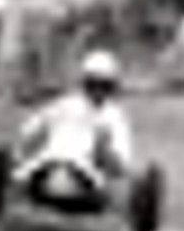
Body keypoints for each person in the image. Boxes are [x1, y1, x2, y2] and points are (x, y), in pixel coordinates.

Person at [11, 49, 136, 206]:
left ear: (111, 87)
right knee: (29, 172)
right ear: (84, 84)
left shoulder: (115, 118)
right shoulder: (62, 105)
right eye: (93, 84)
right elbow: (28, 133)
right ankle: (41, 187)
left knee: (80, 173)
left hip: (87, 174)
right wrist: (24, 151)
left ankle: (64, 189)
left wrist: (103, 149)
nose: (97, 91)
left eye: (103, 86)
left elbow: (121, 166)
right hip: (50, 162)